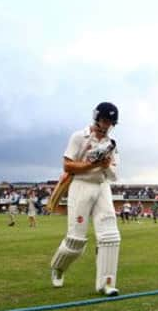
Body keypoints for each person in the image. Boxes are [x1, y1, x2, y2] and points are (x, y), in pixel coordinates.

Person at [49, 102, 121, 297]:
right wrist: (92, 165)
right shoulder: (79, 137)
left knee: (110, 237)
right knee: (76, 240)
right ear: (97, 118)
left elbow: (114, 176)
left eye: (111, 122)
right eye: (105, 120)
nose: (107, 125)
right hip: (81, 186)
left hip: (102, 187)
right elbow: (68, 166)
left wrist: (105, 165)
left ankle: (106, 284)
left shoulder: (111, 144)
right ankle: (58, 267)